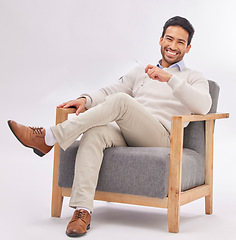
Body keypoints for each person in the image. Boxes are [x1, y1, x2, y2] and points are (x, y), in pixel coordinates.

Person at [8, 16, 212, 238]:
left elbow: (203, 105)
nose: (173, 46)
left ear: (188, 48)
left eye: (180, 42)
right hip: (130, 131)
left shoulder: (193, 77)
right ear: (161, 39)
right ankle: (82, 211)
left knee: (122, 102)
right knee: (95, 132)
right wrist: (85, 99)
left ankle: (49, 137)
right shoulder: (141, 72)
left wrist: (169, 79)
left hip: (162, 137)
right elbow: (110, 91)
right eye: (169, 39)